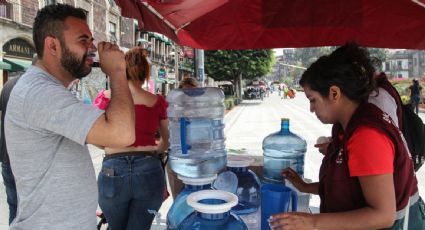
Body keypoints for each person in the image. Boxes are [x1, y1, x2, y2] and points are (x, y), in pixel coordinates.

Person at [4, 4, 135, 229]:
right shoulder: (40, 92)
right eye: (83, 40)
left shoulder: (47, 89)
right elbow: (121, 134)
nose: (93, 48)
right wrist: (117, 72)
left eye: (91, 40)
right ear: (53, 45)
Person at [270, 43, 422, 229]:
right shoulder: (346, 126)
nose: (311, 109)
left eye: (313, 100)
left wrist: (312, 221)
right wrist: (304, 187)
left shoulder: (367, 135)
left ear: (334, 93)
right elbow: (347, 188)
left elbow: (383, 215)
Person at [93, 47, 170, 229]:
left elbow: (91, 135)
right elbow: (166, 141)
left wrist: (109, 147)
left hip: (113, 169)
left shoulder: (106, 98)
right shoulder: (156, 101)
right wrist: (155, 150)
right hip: (149, 168)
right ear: (145, 73)